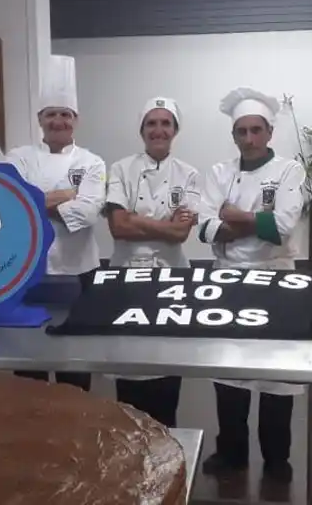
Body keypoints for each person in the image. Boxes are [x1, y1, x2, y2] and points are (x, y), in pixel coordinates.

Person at [197, 87, 306, 483]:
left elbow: (281, 227)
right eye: (241, 131)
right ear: (234, 136)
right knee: (230, 372)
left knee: (275, 375)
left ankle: (277, 459)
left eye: (256, 130)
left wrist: (232, 217)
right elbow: (206, 229)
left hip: (277, 280)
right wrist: (246, 222)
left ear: (269, 132)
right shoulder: (219, 173)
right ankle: (232, 453)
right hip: (228, 280)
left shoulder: (290, 171)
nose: (249, 138)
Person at [5, 55, 106, 392]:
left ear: (75, 119)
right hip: (27, 274)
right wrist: (66, 194)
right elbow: (10, 207)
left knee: (74, 369)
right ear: (40, 119)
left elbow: (89, 212)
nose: (58, 121)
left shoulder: (92, 161)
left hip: (79, 274)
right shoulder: (18, 157)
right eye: (51, 114)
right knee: (29, 368)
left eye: (65, 114)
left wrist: (34, 201)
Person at [105, 97, 199, 428]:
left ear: (175, 130)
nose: (158, 130)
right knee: (129, 360)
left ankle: (167, 437)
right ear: (142, 130)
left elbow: (180, 235)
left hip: (172, 277)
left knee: (168, 358)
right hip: (126, 277)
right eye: (151, 123)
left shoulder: (189, 175)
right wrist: (164, 226)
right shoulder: (120, 169)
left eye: (165, 123)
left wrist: (137, 220)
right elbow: (118, 227)